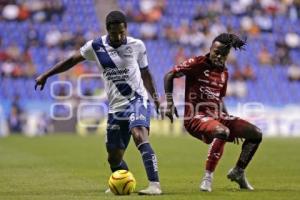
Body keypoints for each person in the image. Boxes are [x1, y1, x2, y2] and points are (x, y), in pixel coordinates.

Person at [35, 11, 162, 195]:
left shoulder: (137, 45)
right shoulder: (95, 46)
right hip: (115, 107)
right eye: (114, 33)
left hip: (137, 100)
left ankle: (154, 185)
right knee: (113, 157)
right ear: (107, 30)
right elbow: (71, 60)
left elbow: (145, 73)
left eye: (121, 32)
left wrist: (155, 98)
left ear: (126, 28)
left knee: (139, 134)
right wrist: (46, 74)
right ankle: (122, 182)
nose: (118, 37)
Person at [164, 33, 262, 192]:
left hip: (215, 116)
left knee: (256, 134)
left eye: (223, 54)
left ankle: (238, 172)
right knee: (222, 131)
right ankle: (207, 178)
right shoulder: (197, 63)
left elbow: (219, 99)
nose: (218, 56)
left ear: (227, 55)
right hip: (195, 117)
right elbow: (170, 75)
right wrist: (169, 103)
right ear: (210, 49)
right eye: (216, 52)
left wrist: (228, 119)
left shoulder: (225, 73)